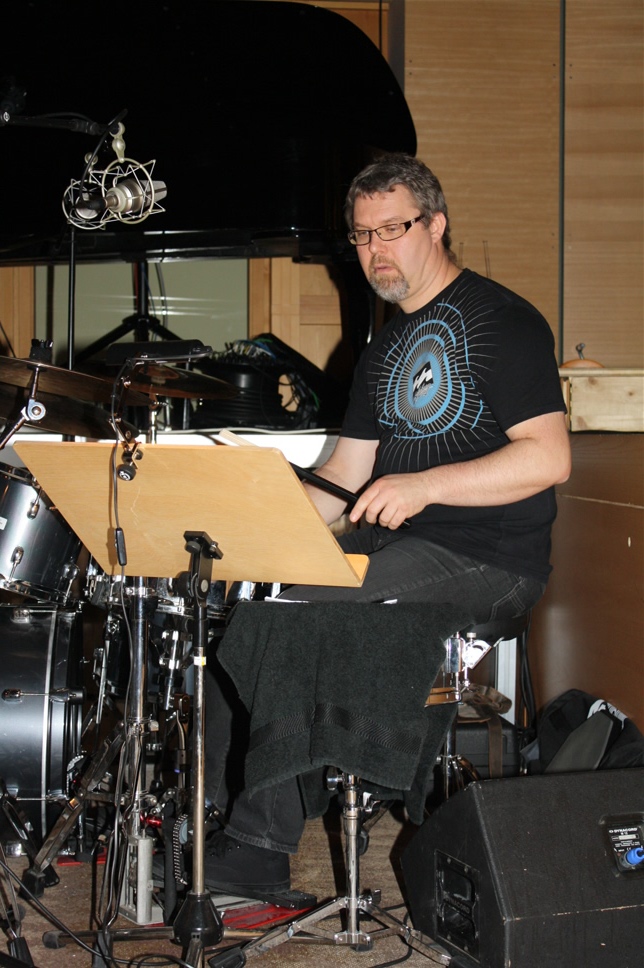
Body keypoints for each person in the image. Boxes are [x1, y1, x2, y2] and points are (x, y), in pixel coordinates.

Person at [202, 153, 571, 896]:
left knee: (302, 613)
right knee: (243, 603)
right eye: (362, 235)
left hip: (492, 556)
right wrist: (257, 531)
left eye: (392, 230)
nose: (375, 250)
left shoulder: (503, 321)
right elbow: (344, 475)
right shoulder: (383, 349)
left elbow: (549, 457)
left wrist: (423, 485)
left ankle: (258, 846)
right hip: (402, 546)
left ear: (436, 225)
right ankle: (216, 815)